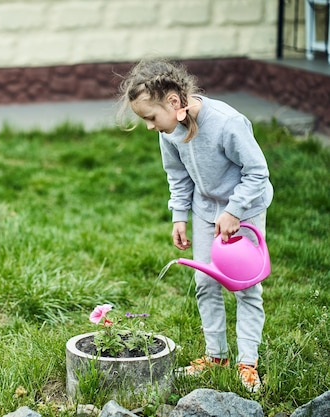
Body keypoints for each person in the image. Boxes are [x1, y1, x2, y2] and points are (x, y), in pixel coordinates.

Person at [116, 59, 273, 393]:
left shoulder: (227, 124)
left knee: (245, 287)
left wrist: (234, 211)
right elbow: (178, 175)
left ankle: (248, 362)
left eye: (150, 117)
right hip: (206, 210)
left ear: (174, 103)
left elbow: (258, 172)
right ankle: (216, 356)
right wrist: (179, 216)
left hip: (243, 210)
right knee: (205, 281)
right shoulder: (170, 130)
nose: (149, 126)